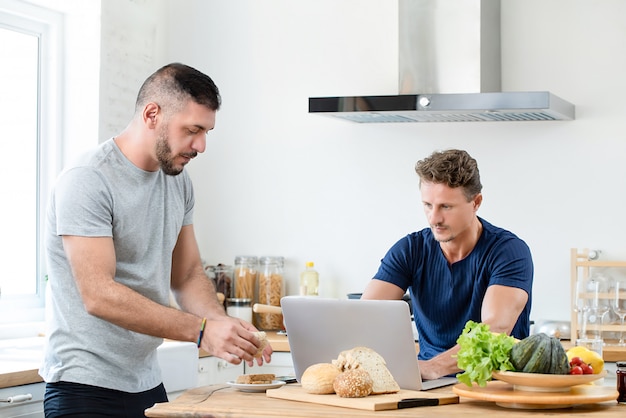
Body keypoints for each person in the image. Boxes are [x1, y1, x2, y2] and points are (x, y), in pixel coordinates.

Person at [40, 63, 272, 418]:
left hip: (146, 382)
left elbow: (187, 273)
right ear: (152, 114)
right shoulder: (88, 179)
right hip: (84, 389)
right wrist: (201, 331)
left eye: (206, 132)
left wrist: (220, 323)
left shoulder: (177, 181)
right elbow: (98, 294)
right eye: (192, 130)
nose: (201, 145)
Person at [361, 149, 533, 380]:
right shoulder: (410, 249)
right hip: (426, 383)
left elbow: (495, 332)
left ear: (476, 202)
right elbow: (363, 316)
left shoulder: (509, 252)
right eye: (428, 205)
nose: (434, 218)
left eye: (446, 207)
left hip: (494, 385)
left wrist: (434, 367)